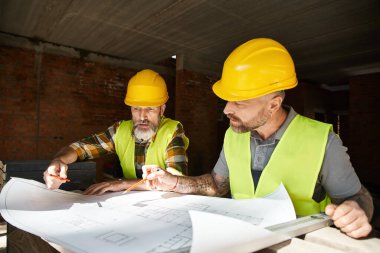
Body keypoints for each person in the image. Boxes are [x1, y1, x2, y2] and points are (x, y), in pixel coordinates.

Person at [142, 38, 373, 239]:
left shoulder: (323, 140)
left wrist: (356, 209)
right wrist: (172, 181)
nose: (226, 110)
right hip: (240, 240)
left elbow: (356, 196)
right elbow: (216, 185)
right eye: (228, 100)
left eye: (239, 103)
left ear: (273, 105)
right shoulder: (233, 135)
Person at [43, 69, 189, 195]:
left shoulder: (173, 130)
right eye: (136, 108)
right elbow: (81, 148)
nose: (142, 117)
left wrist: (121, 183)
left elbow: (175, 180)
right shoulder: (120, 130)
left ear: (161, 110)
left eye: (150, 109)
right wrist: (59, 161)